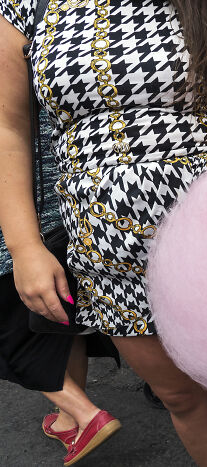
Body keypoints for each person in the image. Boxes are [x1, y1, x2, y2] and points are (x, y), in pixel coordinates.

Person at [0, 1, 207, 466]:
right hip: (105, 249)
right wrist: (24, 246)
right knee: (180, 397)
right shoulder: (27, 6)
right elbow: (7, 128)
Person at [0, 107, 122, 465]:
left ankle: (85, 416)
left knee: (12, 341)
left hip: (14, 239)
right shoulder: (39, 65)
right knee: (61, 327)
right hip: (64, 222)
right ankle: (68, 421)